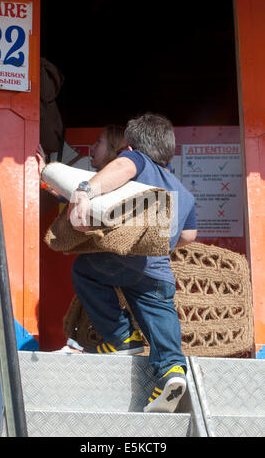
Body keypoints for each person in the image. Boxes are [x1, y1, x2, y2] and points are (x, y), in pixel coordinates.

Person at [68, 113, 197, 413]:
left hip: (123, 258)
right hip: (159, 272)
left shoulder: (136, 161)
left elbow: (123, 167)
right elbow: (189, 235)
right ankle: (173, 372)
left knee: (85, 270)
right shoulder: (185, 192)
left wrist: (86, 191)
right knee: (161, 317)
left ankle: (122, 338)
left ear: (130, 146)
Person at [37, 124, 127, 353]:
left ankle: (96, 345)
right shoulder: (97, 182)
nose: (92, 148)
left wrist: (45, 173)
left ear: (113, 150)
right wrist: (44, 175)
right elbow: (70, 198)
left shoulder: (111, 184)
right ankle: (82, 346)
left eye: (99, 143)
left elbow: (76, 202)